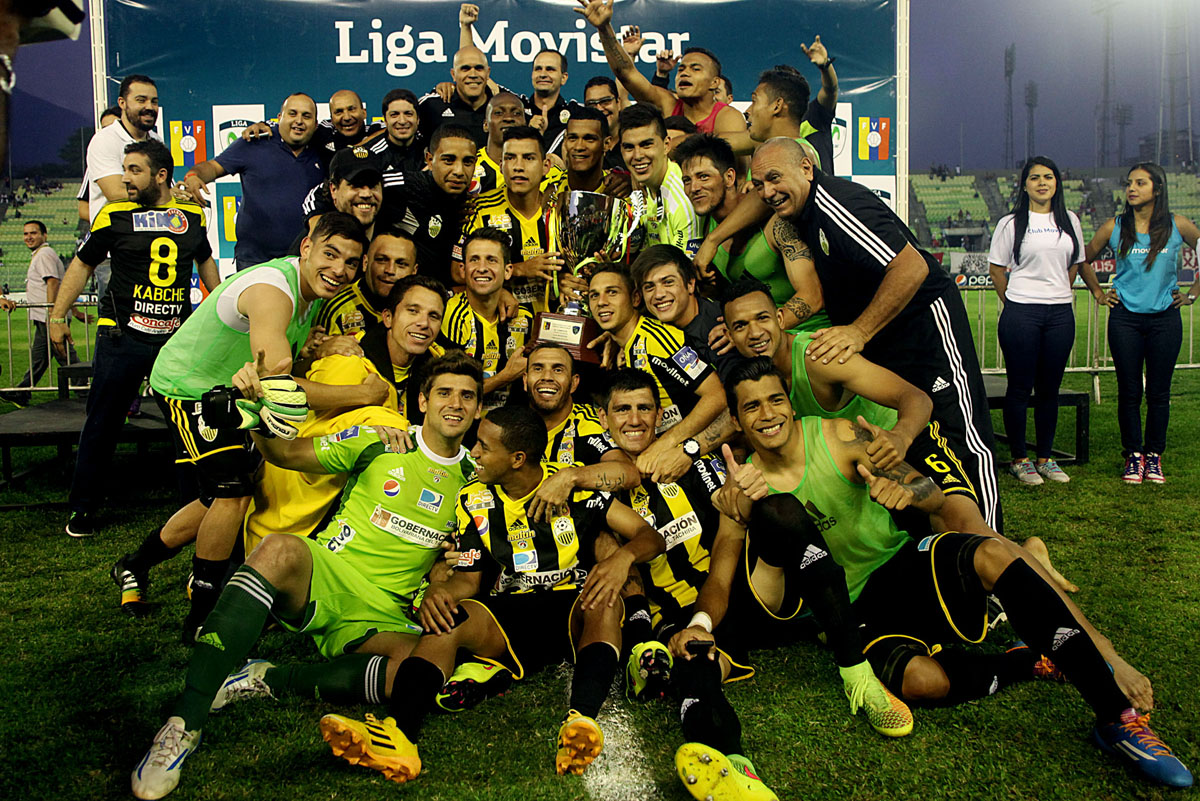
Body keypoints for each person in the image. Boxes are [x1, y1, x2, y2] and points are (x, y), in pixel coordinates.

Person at [716, 357, 1192, 789]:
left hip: (902, 564)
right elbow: (766, 594)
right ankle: (1026, 660)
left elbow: (933, 495)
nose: (768, 414)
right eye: (752, 407)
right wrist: (743, 511)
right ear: (737, 422)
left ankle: (1115, 718)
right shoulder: (744, 486)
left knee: (991, 553)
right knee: (923, 683)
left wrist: (908, 493)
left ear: (791, 405)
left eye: (776, 399)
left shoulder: (839, 435)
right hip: (854, 608)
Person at [128, 354, 483, 801]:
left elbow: (458, 557)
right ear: (423, 400)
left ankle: (265, 679)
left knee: (417, 675)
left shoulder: (475, 479)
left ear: (477, 409)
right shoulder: (381, 440)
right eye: (445, 393)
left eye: (467, 396)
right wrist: (255, 413)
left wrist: (439, 578)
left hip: (386, 610)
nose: (456, 403)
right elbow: (285, 453)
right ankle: (183, 725)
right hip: (331, 571)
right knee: (278, 547)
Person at [318, 406, 666, 783]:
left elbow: (651, 537)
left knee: (605, 598)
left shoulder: (575, 490)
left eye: (484, 446)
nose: (475, 453)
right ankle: (399, 736)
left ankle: (580, 720)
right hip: (511, 613)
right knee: (448, 619)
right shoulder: (472, 499)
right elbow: (468, 581)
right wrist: (440, 592)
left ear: (517, 459)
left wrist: (623, 558)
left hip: (570, 609)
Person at [747, 137, 1002, 532]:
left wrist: (858, 332)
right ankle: (956, 551)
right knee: (918, 439)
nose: (767, 191)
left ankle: (995, 555)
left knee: (963, 436)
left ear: (807, 169)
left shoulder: (838, 203)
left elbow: (912, 268)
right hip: (890, 341)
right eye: (759, 184)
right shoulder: (801, 216)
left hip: (925, 331)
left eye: (775, 178)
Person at [140, 212, 373, 639]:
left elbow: (279, 364)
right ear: (305, 247)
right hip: (187, 386)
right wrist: (364, 395)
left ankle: (135, 564)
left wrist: (318, 348)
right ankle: (203, 617)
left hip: (231, 390)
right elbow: (277, 386)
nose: (340, 269)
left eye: (351, 262)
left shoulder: (309, 292)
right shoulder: (273, 291)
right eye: (330, 254)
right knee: (233, 489)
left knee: (220, 496)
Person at [46, 140, 217, 538]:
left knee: (186, 429)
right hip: (122, 336)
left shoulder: (191, 215)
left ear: (161, 175)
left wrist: (222, 311)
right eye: (124, 169)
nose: (125, 178)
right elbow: (82, 265)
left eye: (135, 170)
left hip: (174, 341)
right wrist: (56, 314)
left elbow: (205, 260)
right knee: (102, 424)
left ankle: (192, 510)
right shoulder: (113, 214)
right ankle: (83, 508)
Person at [1081, 162, 1200, 484]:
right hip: (1125, 321)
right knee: (1129, 391)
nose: (1132, 188)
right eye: (1130, 183)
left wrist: (1192, 294)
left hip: (1165, 320)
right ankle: (1133, 456)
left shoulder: (1178, 225)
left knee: (1159, 393)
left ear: (1157, 190)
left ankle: (1154, 457)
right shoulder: (1114, 226)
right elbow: (1083, 259)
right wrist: (1098, 292)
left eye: (1141, 183)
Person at [988, 157, 1086, 485]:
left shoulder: (1070, 220)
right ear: (1025, 185)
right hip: (1021, 313)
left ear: (1057, 182)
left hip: (1060, 314)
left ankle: (1045, 457)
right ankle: (1020, 459)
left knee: (1049, 389)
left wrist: (1058, 292)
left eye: (1048, 177)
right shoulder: (1011, 223)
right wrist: (1016, 302)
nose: (1042, 183)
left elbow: (1074, 264)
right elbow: (997, 269)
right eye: (1034, 178)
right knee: (1019, 388)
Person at [673, 133, 828, 333]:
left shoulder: (776, 221)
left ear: (729, 177)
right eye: (687, 180)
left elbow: (813, 297)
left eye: (704, 177)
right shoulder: (705, 225)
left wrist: (752, 332)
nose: (694, 188)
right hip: (762, 342)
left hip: (811, 337)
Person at [587, 263, 725, 479]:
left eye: (612, 292)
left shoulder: (656, 340)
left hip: (695, 457)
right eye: (594, 296)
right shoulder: (625, 346)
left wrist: (665, 444)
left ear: (634, 298)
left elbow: (717, 395)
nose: (601, 302)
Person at [181, 93, 327, 270]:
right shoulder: (254, 141)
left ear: (316, 125)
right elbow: (213, 167)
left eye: (306, 116)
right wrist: (194, 176)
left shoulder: (326, 149)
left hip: (303, 261)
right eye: (292, 113)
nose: (299, 121)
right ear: (279, 118)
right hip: (254, 260)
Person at [577, 0, 745, 138]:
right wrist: (604, 29)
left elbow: (741, 173)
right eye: (681, 69)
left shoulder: (728, 117)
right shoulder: (668, 105)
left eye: (695, 69)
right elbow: (626, 74)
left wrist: (680, 142)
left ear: (714, 82)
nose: (684, 73)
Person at [456, 126, 568, 311]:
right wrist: (518, 270)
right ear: (501, 165)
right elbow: (456, 271)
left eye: (529, 158)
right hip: (502, 323)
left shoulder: (563, 211)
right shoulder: (480, 209)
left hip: (555, 327)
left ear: (546, 165)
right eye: (510, 158)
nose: (518, 166)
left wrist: (565, 280)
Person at [441, 228, 535, 414]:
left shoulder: (524, 319)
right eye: (474, 259)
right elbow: (451, 392)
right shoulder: (450, 315)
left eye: (491, 260)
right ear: (463, 269)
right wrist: (505, 376)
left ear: (508, 270)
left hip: (510, 426)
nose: (482, 267)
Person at [376, 124, 478, 290]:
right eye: (448, 160)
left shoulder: (470, 206)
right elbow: (350, 185)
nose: (459, 171)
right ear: (430, 160)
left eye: (467, 162)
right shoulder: (401, 186)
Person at [0, 221, 80, 405]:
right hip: (44, 316)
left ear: (45, 235)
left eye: (33, 233)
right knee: (43, 356)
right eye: (26, 233)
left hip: (48, 317)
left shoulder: (44, 254)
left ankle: (84, 388)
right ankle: (23, 391)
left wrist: (52, 313)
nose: (28, 237)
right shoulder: (42, 254)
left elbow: (53, 282)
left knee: (63, 353)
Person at [630, 244, 737, 382]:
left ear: (690, 284)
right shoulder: (649, 323)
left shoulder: (719, 329)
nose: (659, 294)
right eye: (649, 287)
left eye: (668, 282)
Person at [618, 103, 702, 252]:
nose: (637, 156)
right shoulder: (648, 187)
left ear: (666, 145)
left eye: (646, 145)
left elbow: (684, 271)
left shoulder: (683, 200)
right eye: (629, 147)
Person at [524, 341, 617, 465]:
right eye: (538, 369)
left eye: (558, 370)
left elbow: (624, 470)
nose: (547, 377)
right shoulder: (511, 423)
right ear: (525, 380)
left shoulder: (591, 424)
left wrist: (569, 477)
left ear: (574, 383)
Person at [84, 75, 159, 225]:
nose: (149, 107)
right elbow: (116, 193)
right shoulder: (105, 140)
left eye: (154, 102)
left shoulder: (157, 140)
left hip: (150, 237)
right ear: (122, 103)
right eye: (141, 100)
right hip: (114, 241)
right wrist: (165, 194)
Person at [315, 228, 418, 337]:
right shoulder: (336, 309)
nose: (390, 270)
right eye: (381, 260)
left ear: (414, 271)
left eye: (401, 264)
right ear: (365, 263)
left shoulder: (426, 310)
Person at [418, 45, 496, 148]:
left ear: (488, 73)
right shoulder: (432, 105)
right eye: (465, 69)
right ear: (453, 74)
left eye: (479, 68)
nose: (473, 74)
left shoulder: (501, 107)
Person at [369, 88, 426, 180]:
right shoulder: (372, 154)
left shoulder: (430, 148)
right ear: (385, 120)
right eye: (394, 115)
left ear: (418, 119)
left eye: (408, 114)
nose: (402, 121)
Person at [583, 75, 627, 170]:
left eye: (605, 101)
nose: (599, 109)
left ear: (618, 103)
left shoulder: (634, 141)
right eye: (591, 104)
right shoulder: (580, 148)